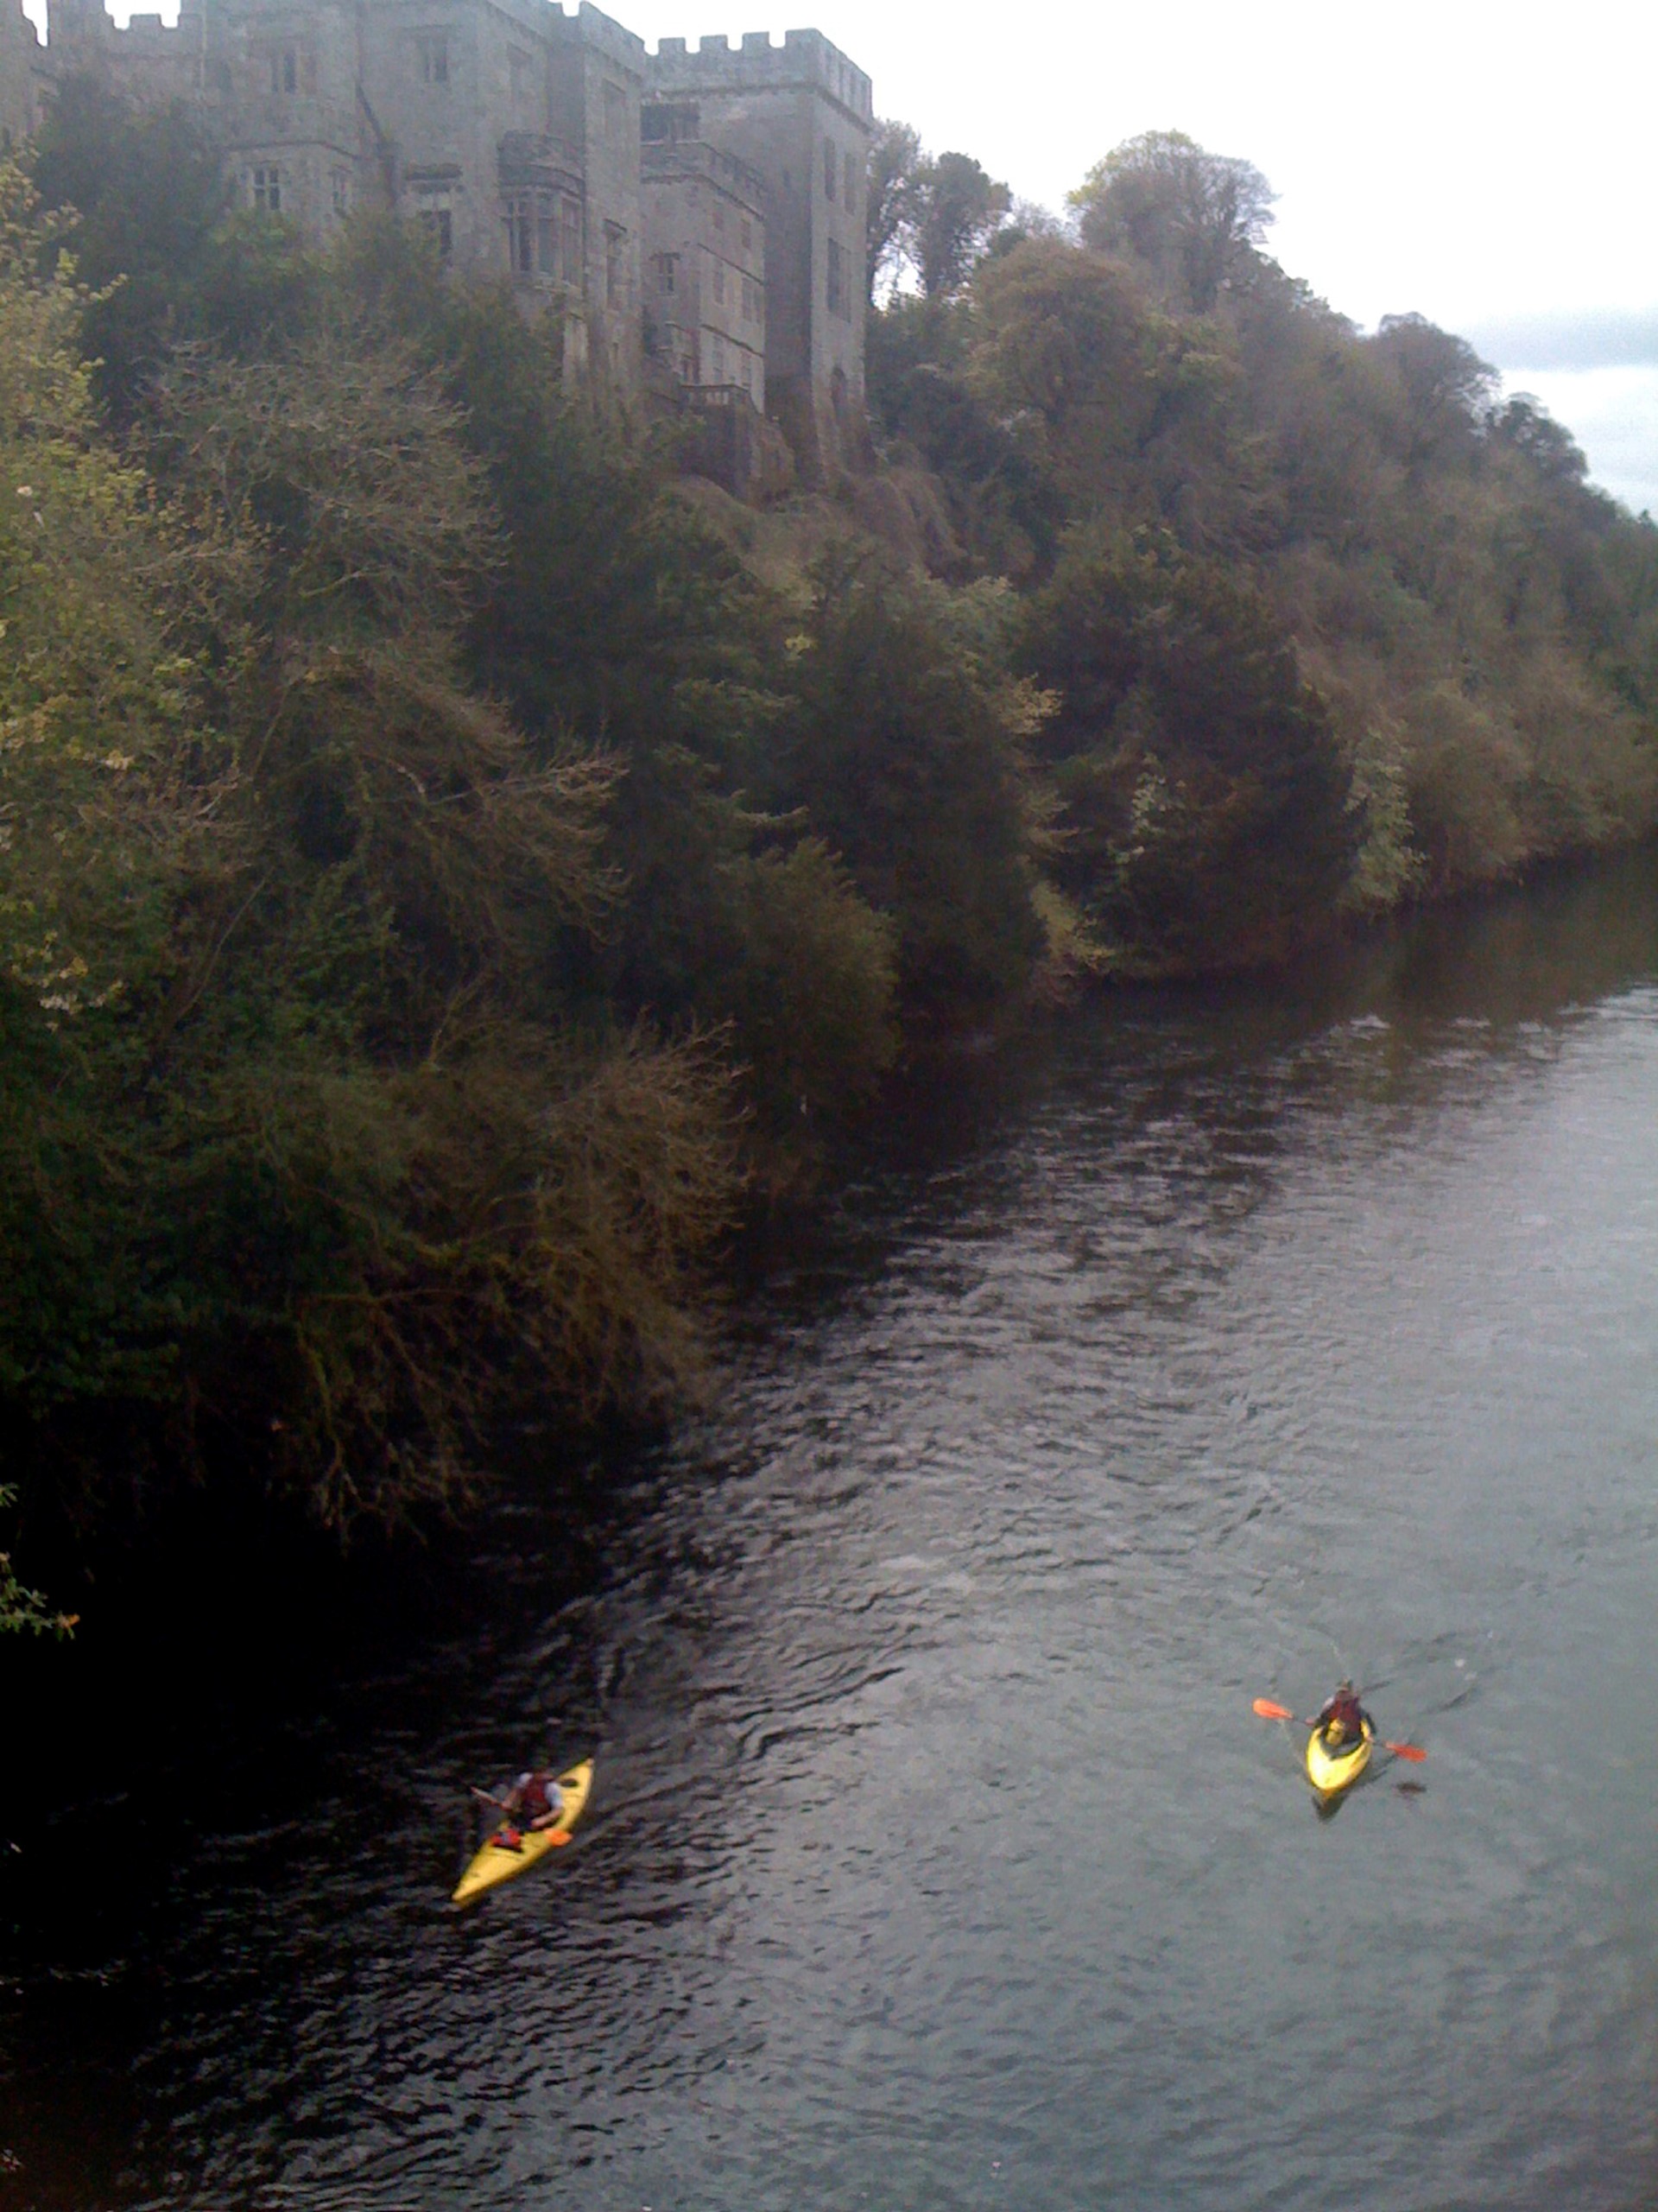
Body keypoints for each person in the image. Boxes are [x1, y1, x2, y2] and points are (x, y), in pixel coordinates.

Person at [495, 1770, 565, 1850]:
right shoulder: (525, 1779)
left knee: (530, 1826)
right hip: (526, 1815)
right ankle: (509, 1839)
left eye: (543, 1773)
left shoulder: (552, 1788)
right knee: (515, 1823)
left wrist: (544, 1819)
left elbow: (558, 1810)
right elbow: (516, 1792)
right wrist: (508, 1802)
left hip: (542, 1818)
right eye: (537, 1772)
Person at [1313, 1680, 1373, 1748]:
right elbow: (1322, 1718)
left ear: (1350, 1694)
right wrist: (1316, 1723)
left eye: (1344, 1692)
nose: (1341, 1695)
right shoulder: (1330, 1704)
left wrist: (1369, 1736)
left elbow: (1368, 1722)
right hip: (1332, 1734)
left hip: (1351, 1738)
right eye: (1340, 1692)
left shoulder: (1357, 1707)